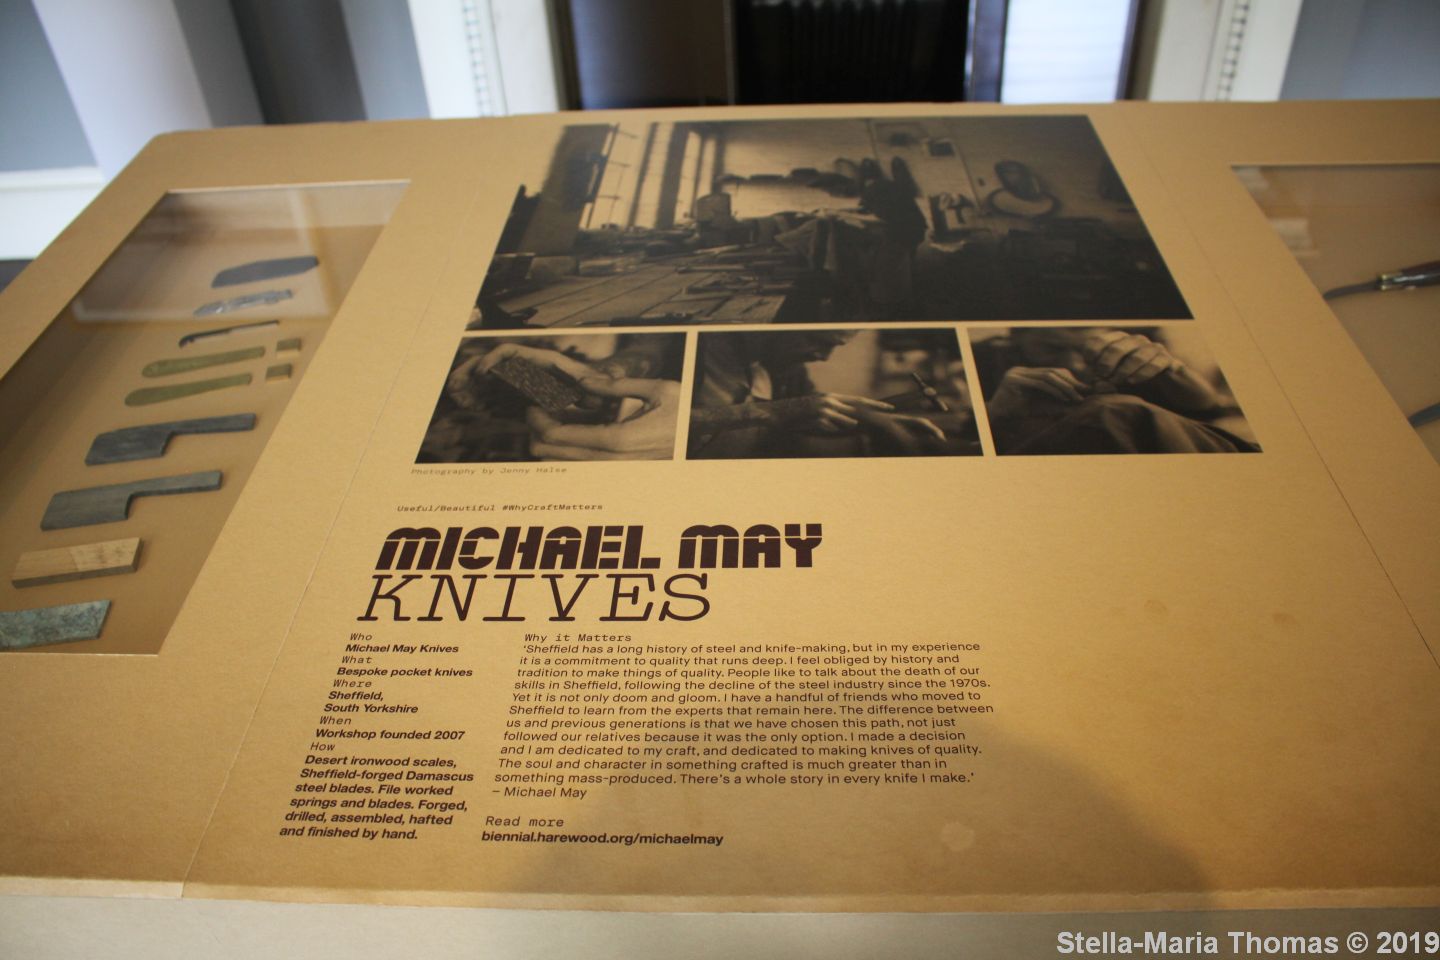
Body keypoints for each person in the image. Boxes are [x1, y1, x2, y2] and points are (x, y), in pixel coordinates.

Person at [973, 328, 1258, 454]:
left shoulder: (1138, 353)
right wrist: (993, 411)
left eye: (1090, 351)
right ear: (1015, 340)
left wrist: (1171, 370)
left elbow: (1206, 407)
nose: (1073, 363)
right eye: (1051, 348)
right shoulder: (985, 358)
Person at [687, 330, 951, 459]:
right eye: (817, 341)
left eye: (834, 346)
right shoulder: (695, 349)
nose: (823, 357)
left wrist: (878, 421)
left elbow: (812, 415)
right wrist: (772, 411)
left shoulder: (788, 370)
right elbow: (668, 425)